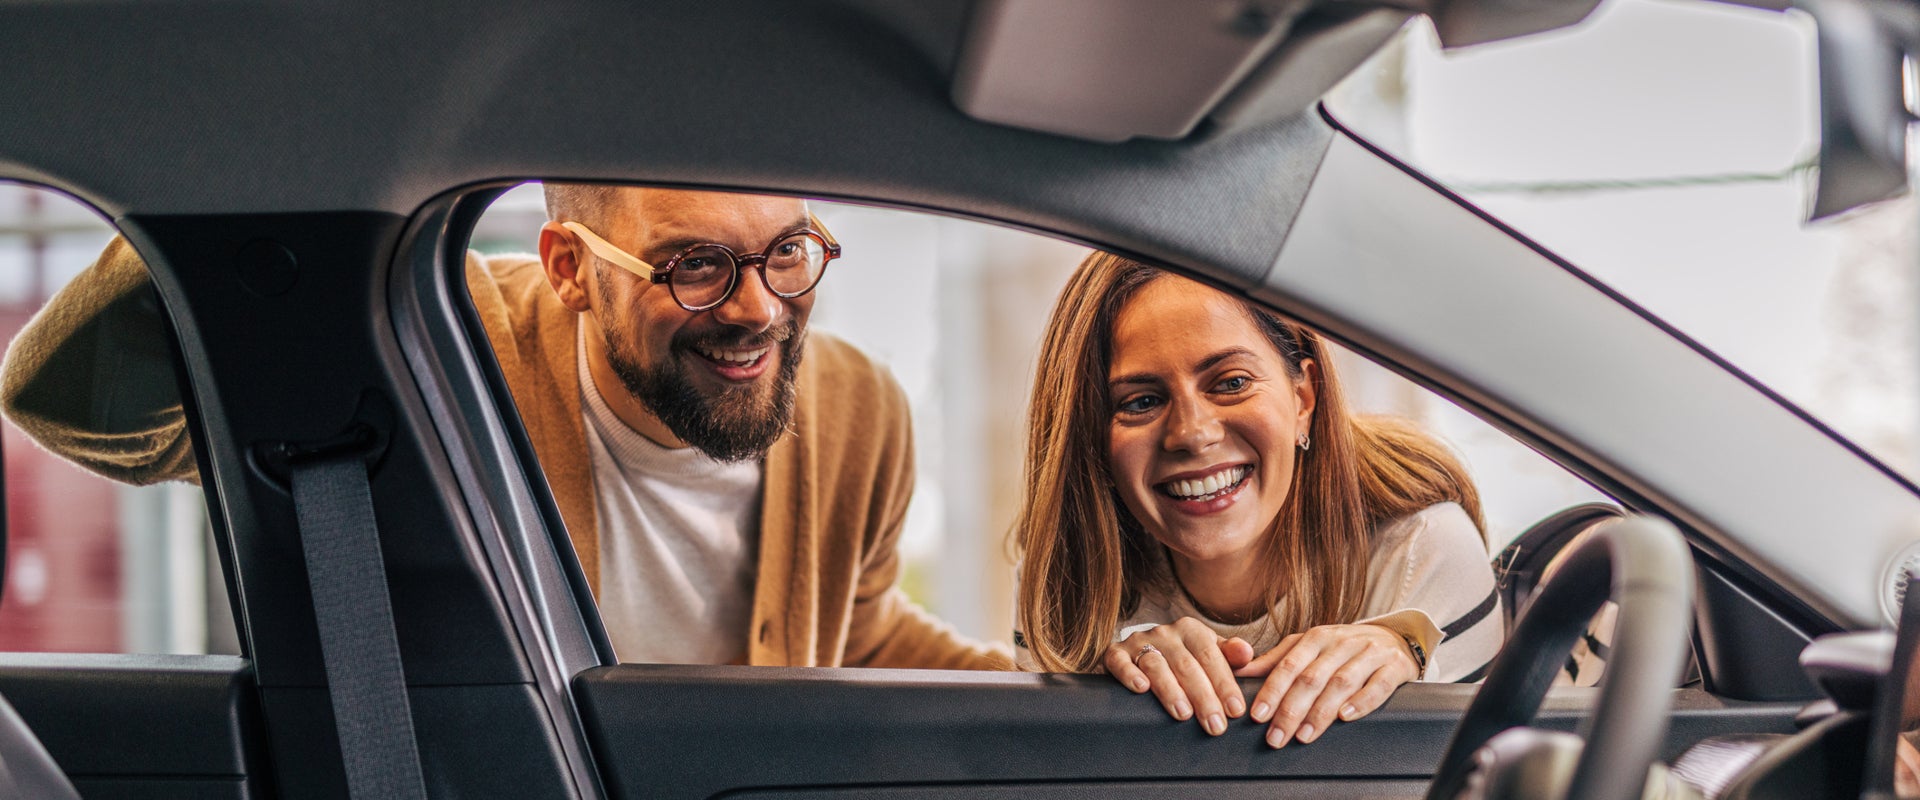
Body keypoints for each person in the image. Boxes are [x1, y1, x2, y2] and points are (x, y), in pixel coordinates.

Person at [1, 184, 1009, 670]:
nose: (758, 309)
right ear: (569, 267)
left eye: (785, 250)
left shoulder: (860, 409)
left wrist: (1093, 680)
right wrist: (264, 147)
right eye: (694, 265)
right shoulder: (433, 344)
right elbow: (67, 401)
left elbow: (861, 627)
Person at [1013, 252, 1502, 747]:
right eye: (1140, 401)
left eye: (1231, 383)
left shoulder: (1424, 549)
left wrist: (1407, 655)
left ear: (1303, 400)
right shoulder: (1067, 575)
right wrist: (1109, 683)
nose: (1192, 434)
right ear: (1089, 438)